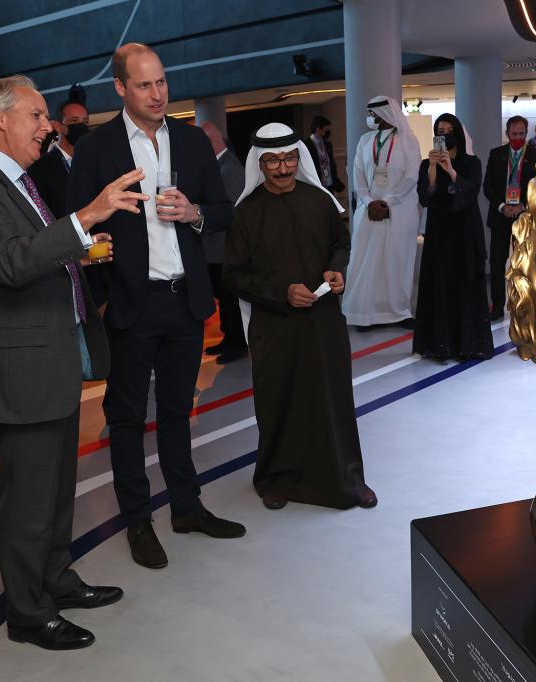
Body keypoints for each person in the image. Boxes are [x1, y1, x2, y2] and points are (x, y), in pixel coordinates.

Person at [0, 74, 142, 650]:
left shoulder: (20, 183)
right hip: (20, 366)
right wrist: (84, 219)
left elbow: (35, 257)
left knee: (55, 489)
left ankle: (55, 579)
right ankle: (28, 613)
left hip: (48, 356)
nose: (49, 125)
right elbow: (9, 262)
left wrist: (78, 245)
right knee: (27, 499)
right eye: (36, 115)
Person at [67, 43, 245, 571]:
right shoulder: (97, 150)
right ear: (120, 88)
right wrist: (99, 268)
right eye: (144, 85)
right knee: (125, 418)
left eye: (162, 82)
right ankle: (138, 520)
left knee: (176, 410)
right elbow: (76, 225)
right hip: (130, 302)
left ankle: (186, 508)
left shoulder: (190, 141)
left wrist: (193, 213)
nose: (158, 94)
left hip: (183, 301)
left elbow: (220, 212)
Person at [224, 123, 376, 510]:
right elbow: (233, 276)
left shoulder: (320, 201)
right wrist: (282, 294)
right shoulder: (246, 213)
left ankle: (348, 478)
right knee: (280, 400)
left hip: (323, 320)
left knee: (333, 398)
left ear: (298, 158)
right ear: (260, 163)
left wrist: (336, 270)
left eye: (289, 158)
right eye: (272, 161)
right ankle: (277, 478)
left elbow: (340, 244)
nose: (282, 168)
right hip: (274, 326)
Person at [413, 113, 493, 361]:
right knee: (439, 283)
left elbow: (470, 193)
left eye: (448, 130)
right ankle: (440, 344)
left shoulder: (472, 162)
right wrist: (435, 167)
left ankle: (467, 344)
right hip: (439, 232)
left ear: (456, 133)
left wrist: (452, 170)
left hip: (465, 232)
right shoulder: (427, 164)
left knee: (466, 283)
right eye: (440, 130)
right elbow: (425, 197)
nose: (444, 135)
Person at [343, 95, 421, 330]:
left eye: (374, 114)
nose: (370, 118)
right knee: (366, 260)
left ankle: (399, 311)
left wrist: (387, 201)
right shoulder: (365, 140)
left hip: (399, 211)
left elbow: (411, 175)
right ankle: (365, 314)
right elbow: (356, 173)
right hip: (368, 211)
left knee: (397, 260)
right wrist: (368, 201)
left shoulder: (408, 140)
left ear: (386, 115)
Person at [482, 115, 536, 321]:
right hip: (500, 215)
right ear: (507, 134)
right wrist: (502, 206)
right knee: (497, 261)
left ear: (526, 134)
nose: (517, 137)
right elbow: (488, 186)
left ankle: (526, 306)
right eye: (514, 134)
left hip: (525, 218)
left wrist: (523, 205)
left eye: (521, 134)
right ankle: (497, 305)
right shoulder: (497, 154)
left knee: (526, 263)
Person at [198, 121, 247, 364]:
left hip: (225, 247)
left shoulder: (229, 168)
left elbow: (236, 213)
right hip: (216, 248)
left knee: (230, 299)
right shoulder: (219, 166)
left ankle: (238, 342)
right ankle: (230, 338)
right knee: (225, 299)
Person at [28, 97, 90, 218]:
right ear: (59, 126)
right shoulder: (40, 169)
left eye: (85, 122)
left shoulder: (93, 161)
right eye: (74, 121)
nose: (81, 126)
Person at [305, 115, 345, 194]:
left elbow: (332, 163)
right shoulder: (306, 145)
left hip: (329, 184)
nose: (328, 131)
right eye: (326, 128)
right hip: (316, 185)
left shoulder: (328, 144)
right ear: (318, 128)